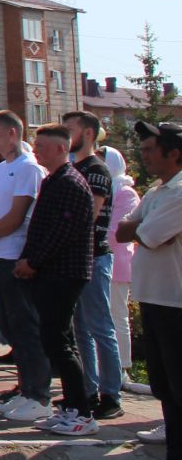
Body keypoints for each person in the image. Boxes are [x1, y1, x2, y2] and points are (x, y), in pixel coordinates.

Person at [14, 124, 97, 437]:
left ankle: (82, 413)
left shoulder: (71, 183)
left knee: (58, 341)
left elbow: (62, 233)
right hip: (52, 272)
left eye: (43, 146)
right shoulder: (55, 180)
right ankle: (71, 408)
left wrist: (32, 261)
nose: (36, 151)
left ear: (62, 149)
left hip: (63, 273)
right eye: (35, 146)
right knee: (57, 340)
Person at [0, 110, 51, 422]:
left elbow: (17, 216)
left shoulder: (28, 168)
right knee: (14, 328)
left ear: (13, 133)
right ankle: (25, 388)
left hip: (16, 255)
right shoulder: (4, 167)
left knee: (27, 327)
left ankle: (40, 395)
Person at [120, 122, 182, 460]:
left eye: (150, 149)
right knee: (166, 386)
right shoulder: (159, 190)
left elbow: (144, 235)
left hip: (176, 301)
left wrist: (138, 227)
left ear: (175, 153)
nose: (144, 154)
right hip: (155, 298)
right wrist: (139, 226)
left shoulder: (180, 192)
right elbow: (124, 231)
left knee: (180, 386)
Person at [67, 110, 125, 421]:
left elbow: (87, 217)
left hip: (93, 256)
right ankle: (87, 390)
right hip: (76, 258)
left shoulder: (96, 169)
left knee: (100, 327)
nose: (66, 135)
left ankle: (111, 395)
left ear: (88, 133)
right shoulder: (74, 167)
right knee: (81, 329)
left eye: (70, 129)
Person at [105, 145, 141, 367]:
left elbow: (116, 232)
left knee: (118, 316)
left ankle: (122, 365)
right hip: (99, 260)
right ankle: (105, 366)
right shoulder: (102, 189)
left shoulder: (125, 191)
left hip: (117, 262)